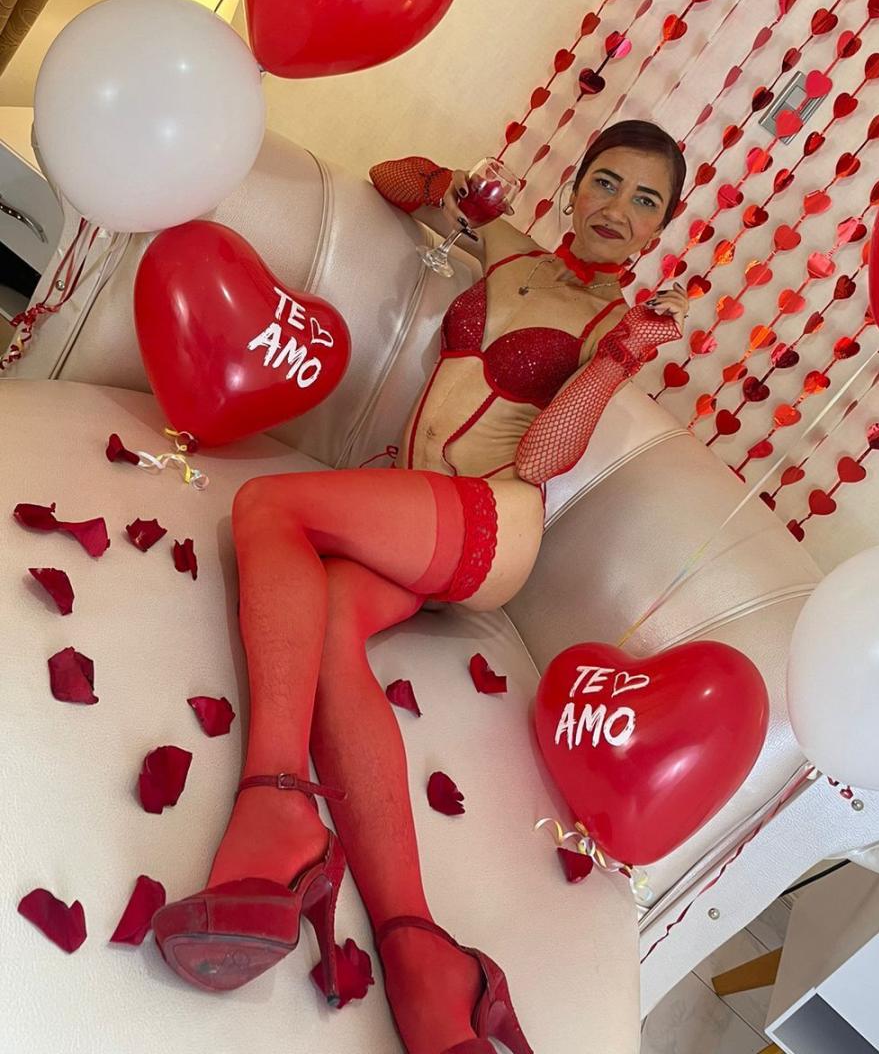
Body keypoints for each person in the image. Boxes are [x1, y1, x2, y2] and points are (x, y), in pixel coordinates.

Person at [152, 120, 688, 1054]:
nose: (618, 208)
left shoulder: (617, 325)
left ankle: (277, 804)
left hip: (488, 523)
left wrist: (617, 360)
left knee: (269, 508)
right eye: (606, 182)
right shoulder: (510, 247)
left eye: (646, 201)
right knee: (327, 634)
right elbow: (388, 176)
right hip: (414, 519)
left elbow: (542, 455)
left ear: (659, 231)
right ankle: (420, 953)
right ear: (576, 187)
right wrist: (454, 188)